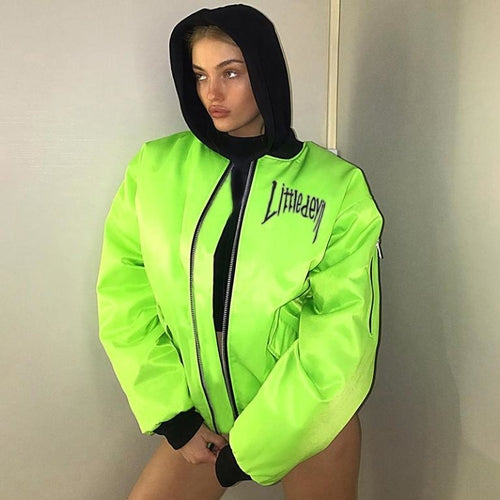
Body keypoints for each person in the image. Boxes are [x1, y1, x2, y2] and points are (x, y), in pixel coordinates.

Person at [96, 4, 383, 499]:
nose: (212, 93)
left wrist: (254, 448)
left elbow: (342, 327)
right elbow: (124, 296)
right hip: (199, 419)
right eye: (200, 75)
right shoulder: (155, 170)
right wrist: (175, 417)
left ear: (265, 72)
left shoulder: (336, 187)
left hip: (308, 421)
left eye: (231, 72)